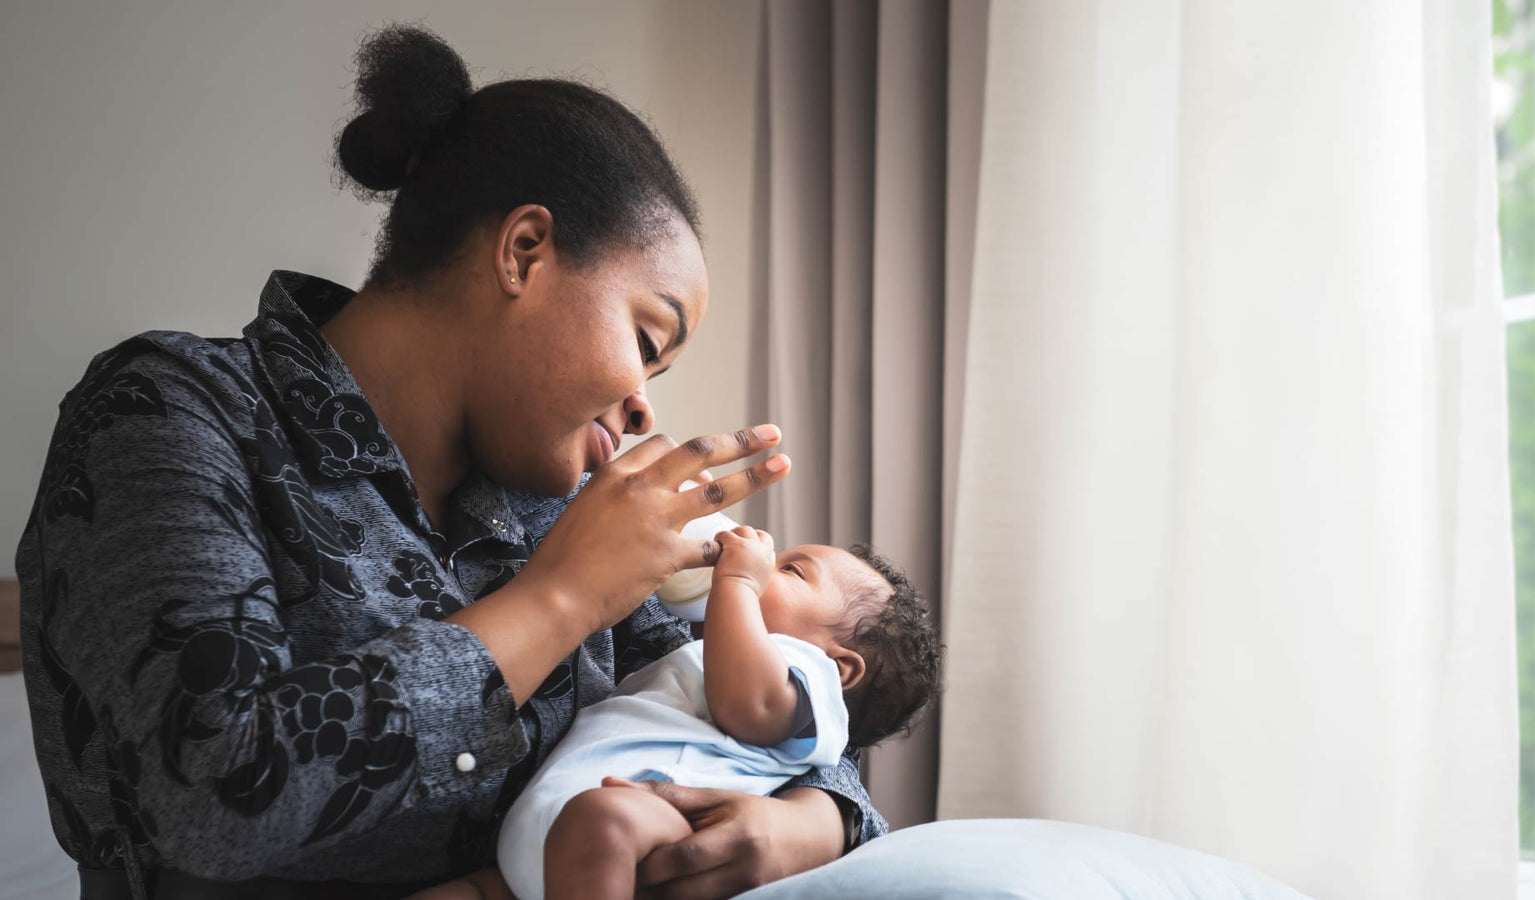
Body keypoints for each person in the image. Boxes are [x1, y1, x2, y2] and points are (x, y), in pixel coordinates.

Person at [16, 24, 885, 900]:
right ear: (523, 253)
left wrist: (813, 821)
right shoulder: (170, 410)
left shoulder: (550, 499)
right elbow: (216, 792)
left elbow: (735, 709)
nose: (643, 407)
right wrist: (559, 598)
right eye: (647, 339)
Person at [409, 527, 943, 900]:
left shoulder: (804, 674)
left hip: (641, 831)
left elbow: (747, 706)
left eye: (791, 571)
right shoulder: (712, 655)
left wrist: (737, 583)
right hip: (533, 855)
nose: (765, 565)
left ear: (839, 667)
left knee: (605, 818)